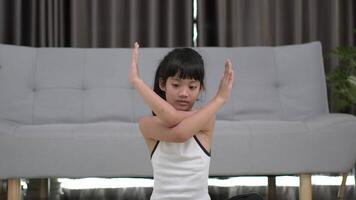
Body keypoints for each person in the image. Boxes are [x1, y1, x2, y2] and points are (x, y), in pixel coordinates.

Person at [129, 42, 262, 200]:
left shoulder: (207, 119)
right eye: (176, 85)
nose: (184, 93)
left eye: (192, 87)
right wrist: (219, 100)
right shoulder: (147, 124)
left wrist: (218, 100)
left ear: (200, 89)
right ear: (163, 84)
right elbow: (178, 132)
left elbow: (174, 121)